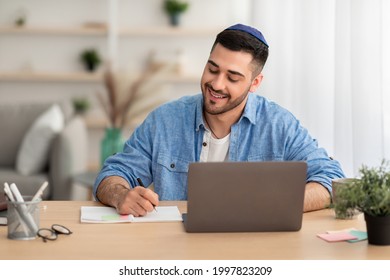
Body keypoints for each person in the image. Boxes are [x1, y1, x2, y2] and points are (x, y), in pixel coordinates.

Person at [93, 23, 345, 216]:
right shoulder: (164, 120)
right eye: (212, 69)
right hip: (177, 249)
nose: (216, 84)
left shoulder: (280, 125)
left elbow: (331, 179)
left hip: (254, 250)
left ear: (255, 83)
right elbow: (113, 173)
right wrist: (121, 195)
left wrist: (274, 204)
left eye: (232, 77)